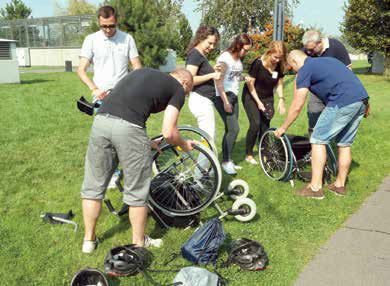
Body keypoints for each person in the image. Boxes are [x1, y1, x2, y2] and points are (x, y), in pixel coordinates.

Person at [80, 68, 194, 253]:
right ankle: (138, 243)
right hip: (129, 128)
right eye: (188, 92)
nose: (185, 95)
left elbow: (125, 106)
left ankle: (88, 241)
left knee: (93, 186)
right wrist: (183, 144)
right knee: (137, 192)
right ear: (185, 83)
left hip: (101, 121)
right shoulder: (178, 89)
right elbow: (168, 132)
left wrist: (144, 142)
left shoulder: (143, 72)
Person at [275, 50, 368, 199]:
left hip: (342, 101)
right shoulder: (328, 60)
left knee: (318, 139)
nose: (293, 71)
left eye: (292, 68)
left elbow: (297, 105)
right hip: (361, 100)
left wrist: (283, 128)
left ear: (294, 62)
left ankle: (315, 188)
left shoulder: (305, 69)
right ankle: (339, 185)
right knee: (344, 144)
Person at [77, 5, 142, 189]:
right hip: (101, 97)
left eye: (111, 26)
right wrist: (94, 88)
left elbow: (136, 65)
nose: (107, 30)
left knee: (127, 135)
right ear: (99, 22)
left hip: (124, 95)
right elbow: (81, 70)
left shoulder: (127, 38)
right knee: (105, 140)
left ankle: (129, 170)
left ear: (116, 22)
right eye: (104, 26)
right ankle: (112, 172)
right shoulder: (91, 40)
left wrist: (133, 85)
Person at [242, 41, 287, 165]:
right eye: (275, 57)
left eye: (280, 58)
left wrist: (281, 99)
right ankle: (249, 154)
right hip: (251, 96)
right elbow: (250, 85)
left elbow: (279, 83)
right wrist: (258, 102)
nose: (277, 60)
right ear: (269, 52)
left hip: (267, 97)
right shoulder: (258, 63)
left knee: (265, 126)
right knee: (255, 124)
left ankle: (265, 154)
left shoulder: (279, 66)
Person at [214, 34, 252, 174]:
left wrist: (244, 77)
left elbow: (233, 77)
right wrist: (225, 101)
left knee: (231, 130)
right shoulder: (225, 58)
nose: (246, 53)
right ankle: (225, 162)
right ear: (238, 46)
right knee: (234, 129)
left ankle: (228, 159)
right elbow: (218, 81)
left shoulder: (237, 60)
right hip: (223, 96)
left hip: (233, 96)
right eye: (245, 50)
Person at [302, 30, 351, 136]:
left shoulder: (336, 47)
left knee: (336, 121)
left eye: (311, 49)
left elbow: (348, 70)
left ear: (319, 42)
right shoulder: (307, 50)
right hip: (317, 90)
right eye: (307, 50)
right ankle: (313, 146)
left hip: (336, 90)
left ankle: (331, 143)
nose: (309, 53)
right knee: (313, 113)